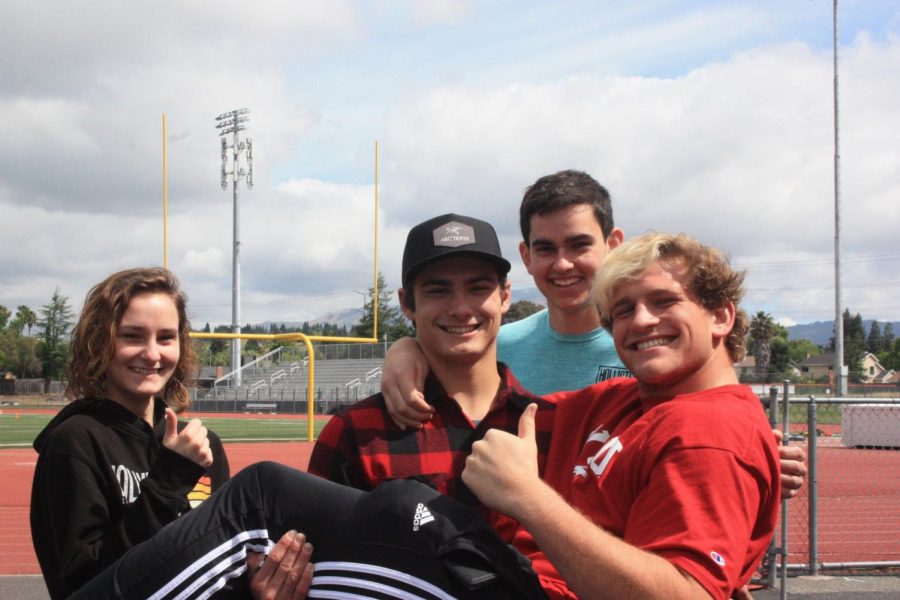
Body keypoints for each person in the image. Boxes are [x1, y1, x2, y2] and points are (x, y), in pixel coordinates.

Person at [380, 170, 807, 500]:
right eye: (546, 248)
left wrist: (761, 459)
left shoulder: (657, 347)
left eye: (579, 244)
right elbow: (452, 338)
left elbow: (711, 426)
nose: (563, 264)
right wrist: (407, 347)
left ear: (613, 243)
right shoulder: (498, 347)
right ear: (526, 257)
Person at [463, 232, 782, 599]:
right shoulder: (620, 401)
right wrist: (415, 355)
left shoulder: (711, 432)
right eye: (624, 310)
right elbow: (491, 400)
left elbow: (687, 593)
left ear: (721, 316)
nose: (642, 321)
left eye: (664, 301)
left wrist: (528, 497)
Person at [308, 213, 555, 542]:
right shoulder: (355, 433)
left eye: (478, 288)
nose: (461, 308)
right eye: (439, 291)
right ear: (407, 303)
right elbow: (323, 561)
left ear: (505, 296)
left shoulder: (552, 425)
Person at [29, 268, 234, 599]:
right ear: (100, 342)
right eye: (133, 336)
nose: (152, 354)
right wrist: (170, 479)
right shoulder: (76, 441)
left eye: (166, 337)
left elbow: (218, 564)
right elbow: (87, 582)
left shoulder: (202, 445)